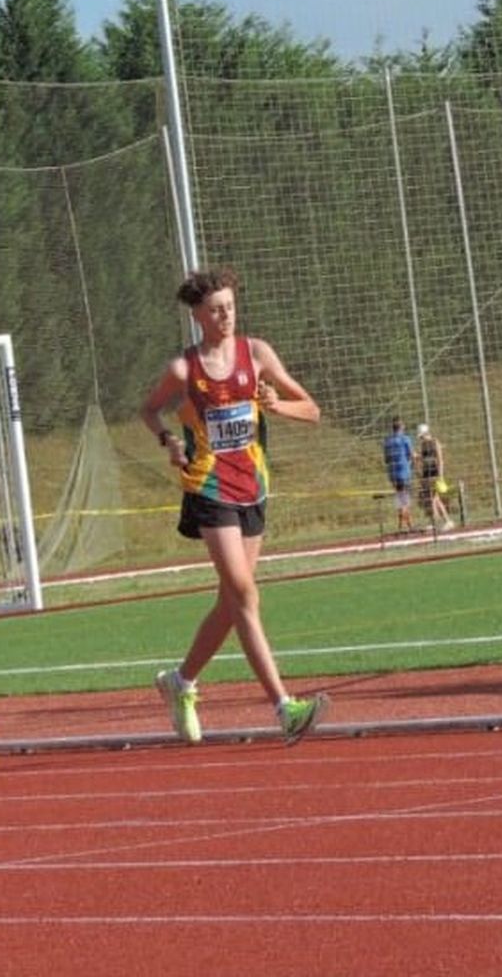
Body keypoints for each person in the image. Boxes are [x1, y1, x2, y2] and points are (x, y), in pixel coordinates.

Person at [141, 267, 329, 746]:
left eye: (230, 307)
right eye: (215, 310)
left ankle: (180, 683)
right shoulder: (185, 369)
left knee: (232, 601)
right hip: (208, 488)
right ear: (199, 316)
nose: (225, 315)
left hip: (253, 487)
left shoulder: (257, 353)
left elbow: (311, 409)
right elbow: (149, 409)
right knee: (244, 594)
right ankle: (284, 707)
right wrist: (169, 441)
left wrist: (275, 405)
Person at [416, 423, 455, 532]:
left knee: (432, 499)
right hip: (426, 474)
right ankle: (445, 521)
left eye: (422, 436)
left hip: (434, 474)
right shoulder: (423, 445)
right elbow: (423, 459)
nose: (421, 438)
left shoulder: (434, 442)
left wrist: (441, 476)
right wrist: (417, 457)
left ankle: (436, 522)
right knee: (434, 499)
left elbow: (440, 459)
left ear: (425, 433)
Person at [382, 417, 416, 532]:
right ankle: (408, 525)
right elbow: (411, 455)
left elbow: (386, 459)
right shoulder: (405, 439)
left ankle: (402, 524)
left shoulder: (387, 441)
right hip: (404, 472)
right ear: (402, 427)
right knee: (404, 499)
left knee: (399, 497)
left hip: (392, 473)